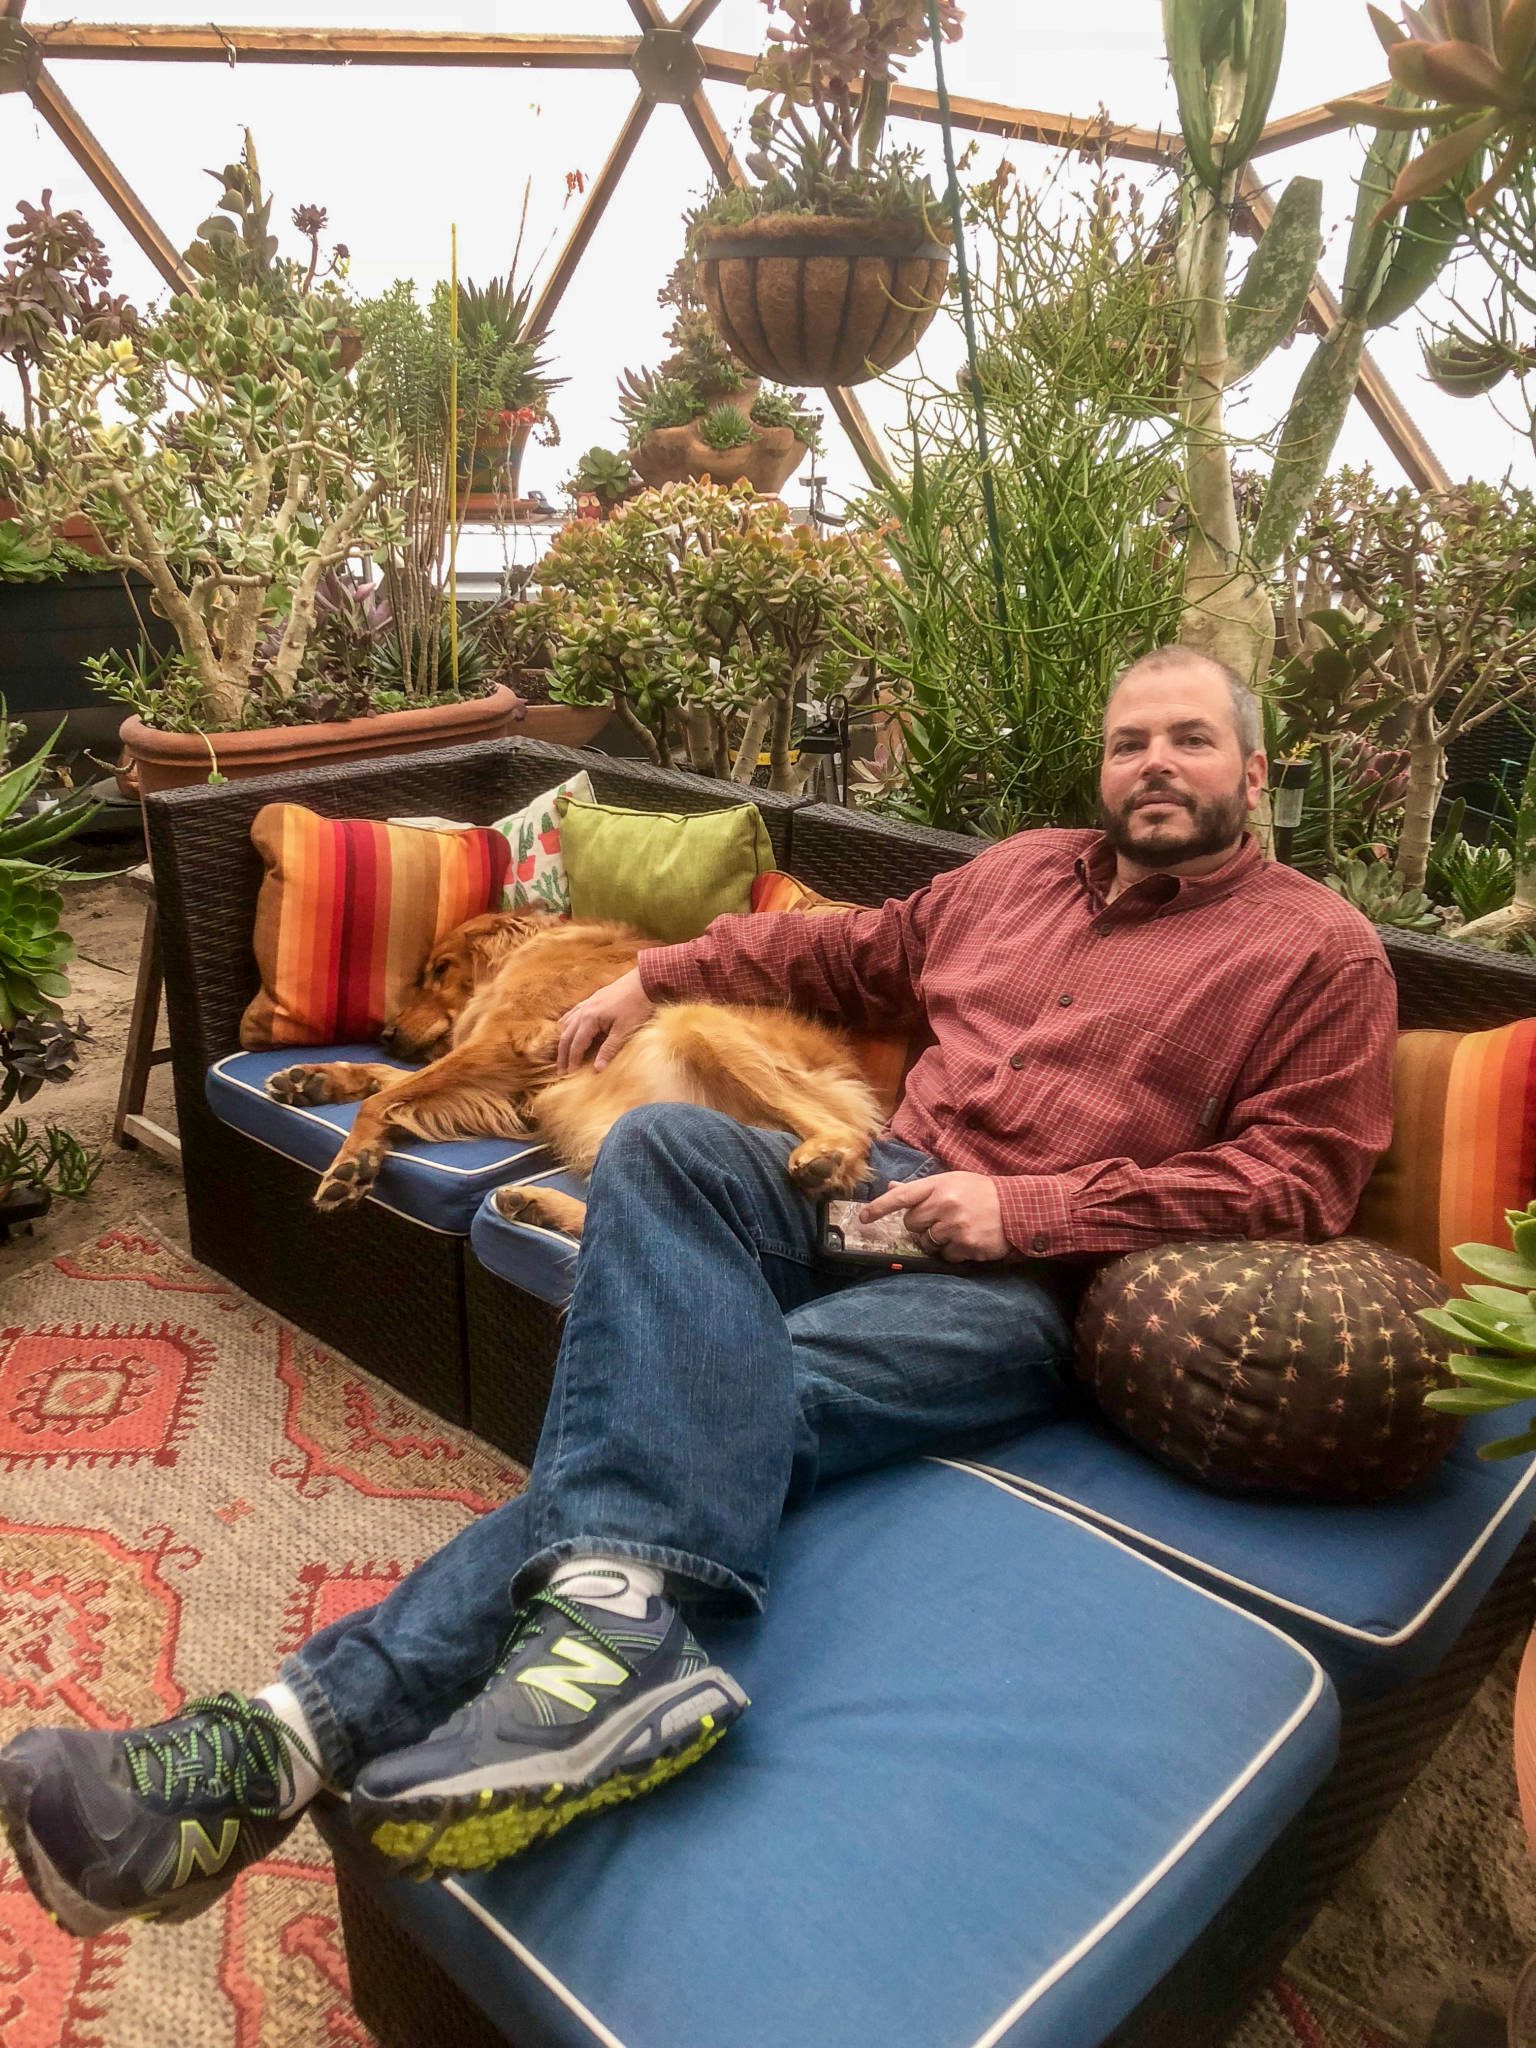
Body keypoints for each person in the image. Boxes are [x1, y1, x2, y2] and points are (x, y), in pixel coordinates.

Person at [0, 645, 1397, 1938]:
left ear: (1253, 774)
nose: (1154, 763)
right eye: (1130, 741)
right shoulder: (1018, 876)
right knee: (666, 1137)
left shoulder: (1315, 951)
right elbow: (829, 954)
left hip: (1020, 1279)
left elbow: (1300, 1181)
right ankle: (611, 1635)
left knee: (707, 1405)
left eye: (1191, 741)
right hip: (862, 1175)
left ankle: (268, 1748)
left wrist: (1025, 1206)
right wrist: (654, 974)